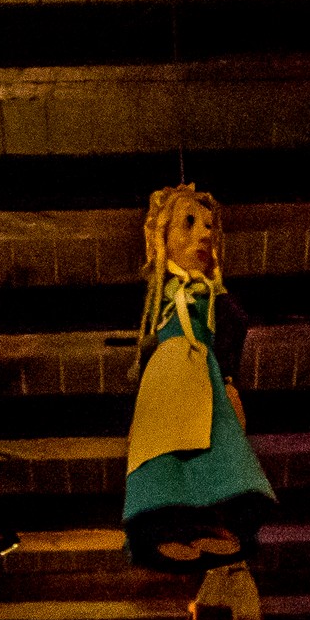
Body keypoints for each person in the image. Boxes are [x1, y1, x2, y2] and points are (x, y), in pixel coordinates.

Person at [123, 185, 276, 569]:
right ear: (162, 236)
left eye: (208, 226)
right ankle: (169, 525)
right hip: (166, 379)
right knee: (165, 458)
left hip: (203, 379)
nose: (204, 235)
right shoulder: (160, 295)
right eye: (188, 224)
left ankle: (214, 520)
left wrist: (229, 381)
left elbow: (231, 330)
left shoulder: (214, 296)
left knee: (212, 450)